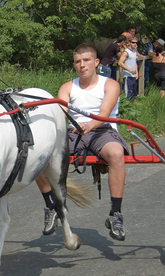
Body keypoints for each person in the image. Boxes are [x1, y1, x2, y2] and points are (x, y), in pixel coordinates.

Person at [37, 43, 128, 241]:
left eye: (86, 60)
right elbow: (61, 116)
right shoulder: (67, 87)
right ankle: (51, 204)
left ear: (96, 62)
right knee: (39, 155)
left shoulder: (110, 84)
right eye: (78, 62)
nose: (82, 65)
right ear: (74, 65)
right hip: (73, 131)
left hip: (103, 129)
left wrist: (89, 125)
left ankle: (115, 214)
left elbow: (104, 114)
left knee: (116, 153)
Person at [118, 37, 138, 101]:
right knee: (128, 93)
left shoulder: (134, 52)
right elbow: (120, 63)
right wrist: (129, 70)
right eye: (133, 42)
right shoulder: (126, 52)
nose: (135, 44)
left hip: (133, 75)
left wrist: (137, 72)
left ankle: (132, 106)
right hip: (127, 75)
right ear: (129, 43)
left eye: (136, 43)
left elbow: (135, 63)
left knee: (133, 93)